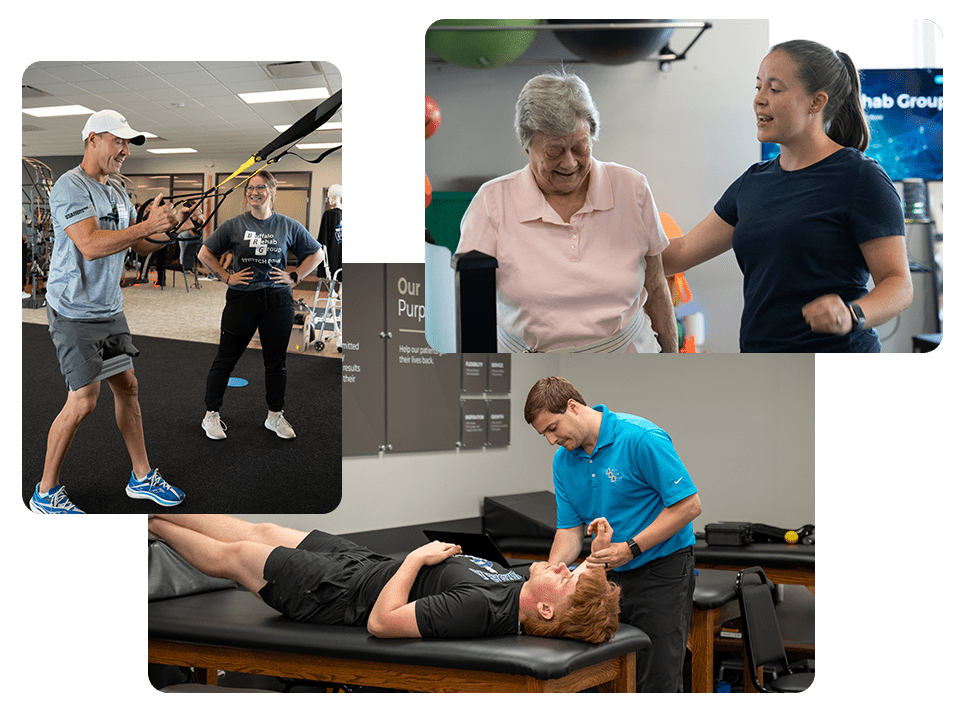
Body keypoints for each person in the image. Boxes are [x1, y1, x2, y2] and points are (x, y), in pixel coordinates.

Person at [662, 40, 913, 352]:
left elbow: (898, 284)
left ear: (816, 102)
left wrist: (853, 314)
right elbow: (681, 252)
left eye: (775, 89)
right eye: (758, 87)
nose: (759, 100)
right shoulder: (752, 183)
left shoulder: (861, 177)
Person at [29, 109, 188, 513]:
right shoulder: (70, 186)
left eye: (127, 143)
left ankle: (141, 477)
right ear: (93, 139)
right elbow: (91, 244)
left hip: (109, 309)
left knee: (128, 386)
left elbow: (136, 246)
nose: (124, 151)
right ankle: (45, 494)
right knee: (83, 400)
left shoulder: (117, 189)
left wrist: (169, 229)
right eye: (118, 141)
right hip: (74, 311)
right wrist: (146, 224)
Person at [455, 70, 678, 353]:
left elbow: (657, 288)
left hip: (628, 358)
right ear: (527, 145)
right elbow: (471, 303)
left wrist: (673, 361)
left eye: (580, 147)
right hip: (530, 366)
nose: (570, 162)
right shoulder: (492, 201)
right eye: (554, 151)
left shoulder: (632, 188)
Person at [148, 514, 621, 643]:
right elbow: (567, 570)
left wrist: (415, 559)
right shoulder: (515, 588)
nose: (562, 566)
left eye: (567, 579)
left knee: (237, 555)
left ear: (544, 609)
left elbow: (382, 623)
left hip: (336, 594)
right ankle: (159, 505)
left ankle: (144, 522)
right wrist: (594, 560)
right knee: (263, 529)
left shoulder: (483, 609)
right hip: (363, 564)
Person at [524, 376, 702, 692]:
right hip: (607, 575)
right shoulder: (563, 460)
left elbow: (689, 506)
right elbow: (568, 531)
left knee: (656, 675)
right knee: (604, 674)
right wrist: (551, 577)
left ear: (573, 407)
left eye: (552, 428)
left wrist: (630, 548)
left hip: (662, 568)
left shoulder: (640, 438)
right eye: (544, 435)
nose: (551, 440)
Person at [197, 171, 324, 441]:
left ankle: (274, 416)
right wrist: (227, 276)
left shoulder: (288, 225)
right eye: (250, 188)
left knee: (276, 363)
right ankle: (211, 415)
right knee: (225, 359)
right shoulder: (234, 225)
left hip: (278, 301)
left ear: (272, 191)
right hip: (242, 300)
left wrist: (294, 276)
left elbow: (317, 253)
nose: (254, 192)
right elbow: (204, 252)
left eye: (261, 187)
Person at [318, 183, 342, 280]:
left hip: (332, 254)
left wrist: (326, 265)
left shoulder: (328, 214)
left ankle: (337, 290)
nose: (328, 199)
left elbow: (323, 240)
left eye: (329, 197)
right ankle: (340, 289)